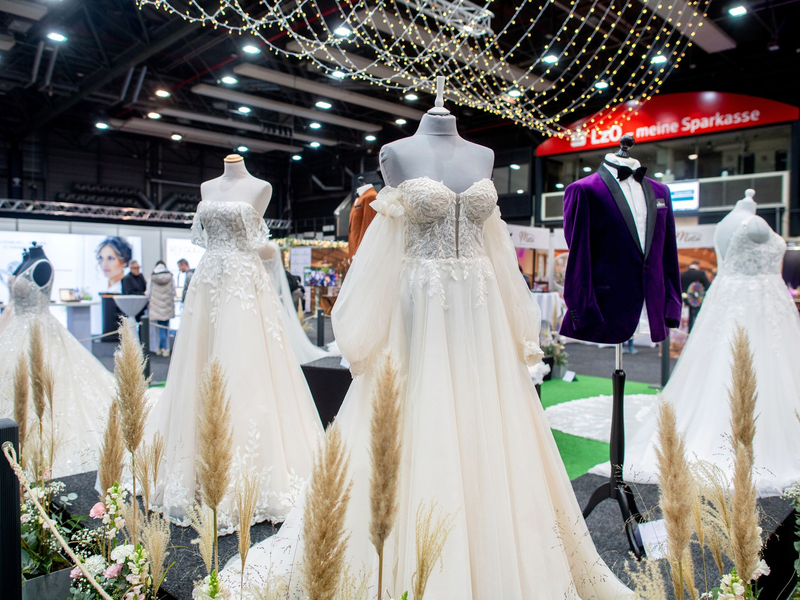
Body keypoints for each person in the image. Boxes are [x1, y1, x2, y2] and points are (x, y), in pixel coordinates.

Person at [147, 261, 175, 356]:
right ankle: (164, 348)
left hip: (156, 306)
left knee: (159, 329)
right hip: (167, 305)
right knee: (165, 328)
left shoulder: (152, 277)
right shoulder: (170, 277)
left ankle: (161, 348)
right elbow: (174, 291)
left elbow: (148, 292)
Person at [680, 260, 711, 331]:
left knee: (685, 319)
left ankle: (687, 334)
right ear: (698, 266)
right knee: (695, 319)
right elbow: (707, 287)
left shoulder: (683, 274)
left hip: (684, 301)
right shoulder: (701, 274)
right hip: (697, 301)